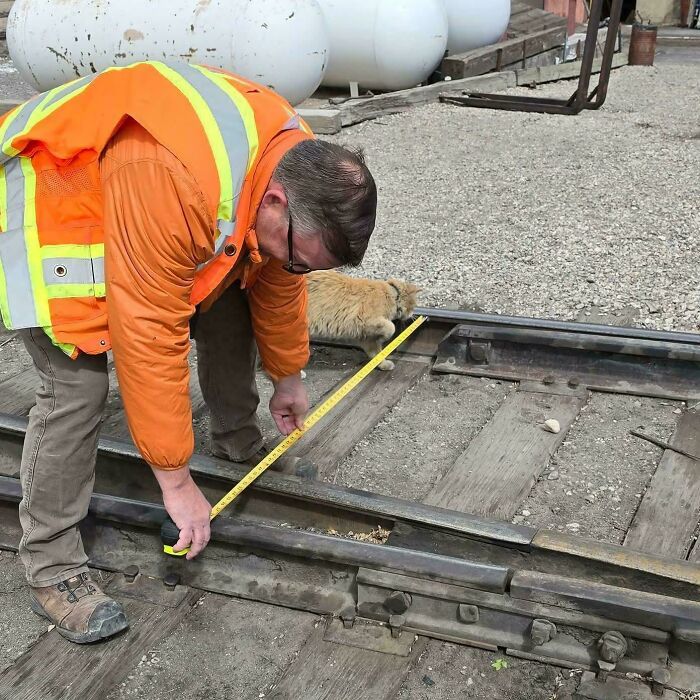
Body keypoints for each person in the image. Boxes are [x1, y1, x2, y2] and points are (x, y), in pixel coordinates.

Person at [0, 61, 377, 643]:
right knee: (77, 386)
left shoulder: (294, 161)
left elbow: (277, 278)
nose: (296, 267)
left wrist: (288, 374)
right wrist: (174, 483)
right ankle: (53, 567)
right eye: (299, 253)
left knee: (238, 279)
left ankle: (236, 446)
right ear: (276, 200)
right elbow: (149, 334)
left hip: (137, 204)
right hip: (50, 207)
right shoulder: (176, 175)